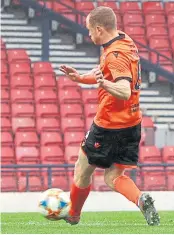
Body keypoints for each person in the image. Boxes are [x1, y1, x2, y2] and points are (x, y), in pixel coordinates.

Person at [59, 6, 160, 226]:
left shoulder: (114, 55)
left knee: (82, 169)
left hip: (108, 124)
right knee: (113, 177)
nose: (89, 35)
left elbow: (123, 90)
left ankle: (74, 215)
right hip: (132, 123)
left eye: (89, 30)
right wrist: (81, 78)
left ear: (99, 28)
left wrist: (104, 83)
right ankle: (141, 199)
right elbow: (104, 71)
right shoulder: (124, 41)